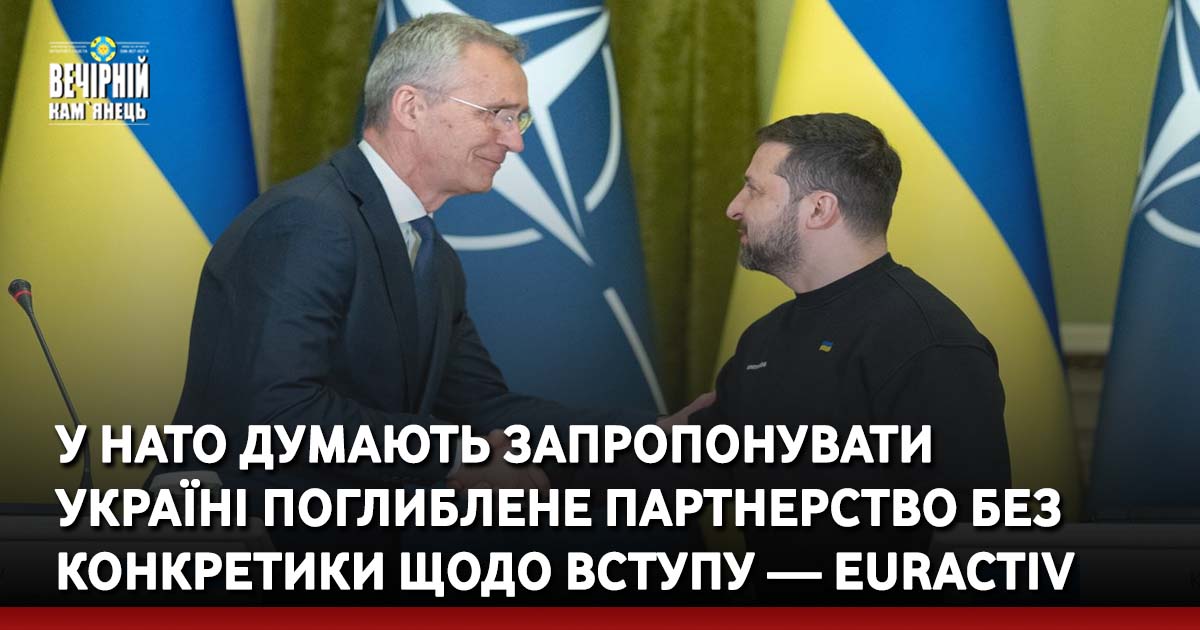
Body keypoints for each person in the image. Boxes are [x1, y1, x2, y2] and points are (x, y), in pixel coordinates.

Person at [166, 12, 703, 562]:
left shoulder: (432, 255)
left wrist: (649, 436)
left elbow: (486, 410)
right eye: (496, 114)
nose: (515, 142)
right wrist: (455, 457)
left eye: (519, 119)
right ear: (410, 107)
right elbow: (273, 413)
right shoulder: (309, 221)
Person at [675, 113, 1011, 602]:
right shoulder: (764, 338)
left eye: (753, 189)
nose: (733, 208)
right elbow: (696, 458)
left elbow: (974, 542)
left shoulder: (929, 344)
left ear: (819, 209)